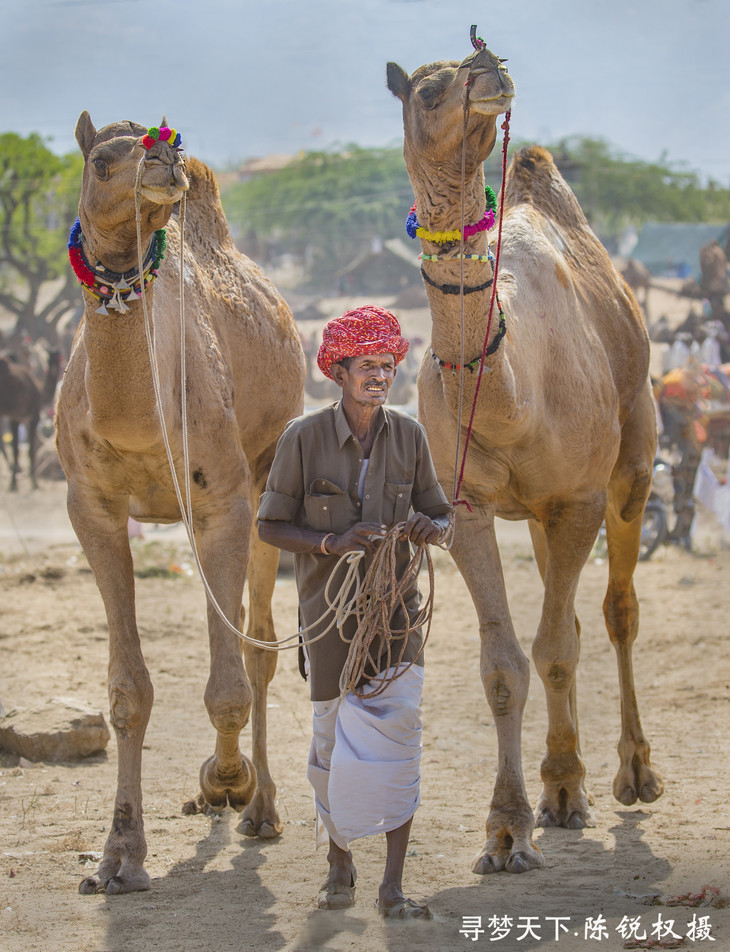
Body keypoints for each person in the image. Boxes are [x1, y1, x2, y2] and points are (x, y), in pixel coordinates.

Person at [257, 305, 451, 920]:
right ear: (338, 371)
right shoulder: (302, 438)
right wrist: (328, 543)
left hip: (398, 616)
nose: (378, 377)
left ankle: (392, 886)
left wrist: (430, 526)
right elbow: (268, 525)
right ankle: (339, 863)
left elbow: (444, 517)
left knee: (399, 737)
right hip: (327, 618)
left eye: (387, 366)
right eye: (366, 365)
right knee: (331, 742)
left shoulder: (412, 437)